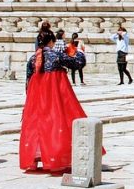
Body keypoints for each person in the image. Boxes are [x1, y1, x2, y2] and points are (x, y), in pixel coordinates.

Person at [20, 29, 89, 172]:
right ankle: (55, 158)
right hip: (54, 96)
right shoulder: (56, 56)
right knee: (56, 123)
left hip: (37, 98)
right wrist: (80, 50)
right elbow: (78, 63)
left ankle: (36, 158)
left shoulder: (33, 59)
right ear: (51, 41)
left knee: (37, 125)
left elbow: (28, 81)